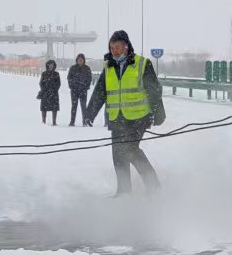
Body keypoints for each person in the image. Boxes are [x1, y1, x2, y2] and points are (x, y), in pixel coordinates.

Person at [83, 30, 165, 195]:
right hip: (117, 118)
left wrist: (157, 112)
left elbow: (154, 89)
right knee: (118, 155)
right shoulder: (109, 67)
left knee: (130, 149)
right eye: (112, 48)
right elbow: (100, 91)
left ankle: (154, 187)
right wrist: (90, 113)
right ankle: (124, 192)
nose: (115, 51)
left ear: (127, 47)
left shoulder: (141, 64)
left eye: (118, 47)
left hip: (139, 117)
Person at [66, 52, 93, 126]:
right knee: (74, 106)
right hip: (74, 90)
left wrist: (86, 87)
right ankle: (72, 121)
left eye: (81, 59)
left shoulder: (87, 68)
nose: (80, 60)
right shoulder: (72, 68)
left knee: (83, 106)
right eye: (79, 59)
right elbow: (69, 78)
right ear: (77, 60)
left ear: (84, 60)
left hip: (83, 90)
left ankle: (84, 121)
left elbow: (89, 78)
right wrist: (71, 86)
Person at [37, 59, 62, 125]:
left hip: (54, 93)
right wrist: (44, 89)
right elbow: (41, 83)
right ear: (47, 65)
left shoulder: (56, 74)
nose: (51, 66)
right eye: (49, 64)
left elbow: (58, 83)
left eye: (52, 64)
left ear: (54, 66)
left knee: (54, 108)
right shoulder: (44, 73)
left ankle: (54, 122)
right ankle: (43, 121)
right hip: (45, 93)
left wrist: (54, 90)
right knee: (43, 108)